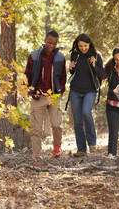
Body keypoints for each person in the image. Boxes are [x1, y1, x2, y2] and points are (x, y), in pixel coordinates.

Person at [25, 30, 66, 167]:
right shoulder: (34, 55)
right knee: (36, 129)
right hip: (38, 97)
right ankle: (38, 159)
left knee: (56, 124)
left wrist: (60, 91)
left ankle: (57, 147)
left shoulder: (60, 57)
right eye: (49, 42)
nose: (51, 46)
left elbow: (63, 77)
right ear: (45, 40)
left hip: (53, 96)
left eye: (54, 43)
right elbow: (28, 76)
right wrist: (32, 91)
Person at [68, 33, 105, 157]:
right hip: (75, 90)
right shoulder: (75, 55)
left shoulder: (96, 55)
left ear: (89, 44)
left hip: (90, 90)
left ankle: (92, 142)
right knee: (77, 120)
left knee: (86, 112)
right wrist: (71, 68)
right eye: (80, 46)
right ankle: (81, 149)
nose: (83, 48)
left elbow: (102, 74)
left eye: (85, 45)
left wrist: (94, 65)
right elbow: (73, 72)